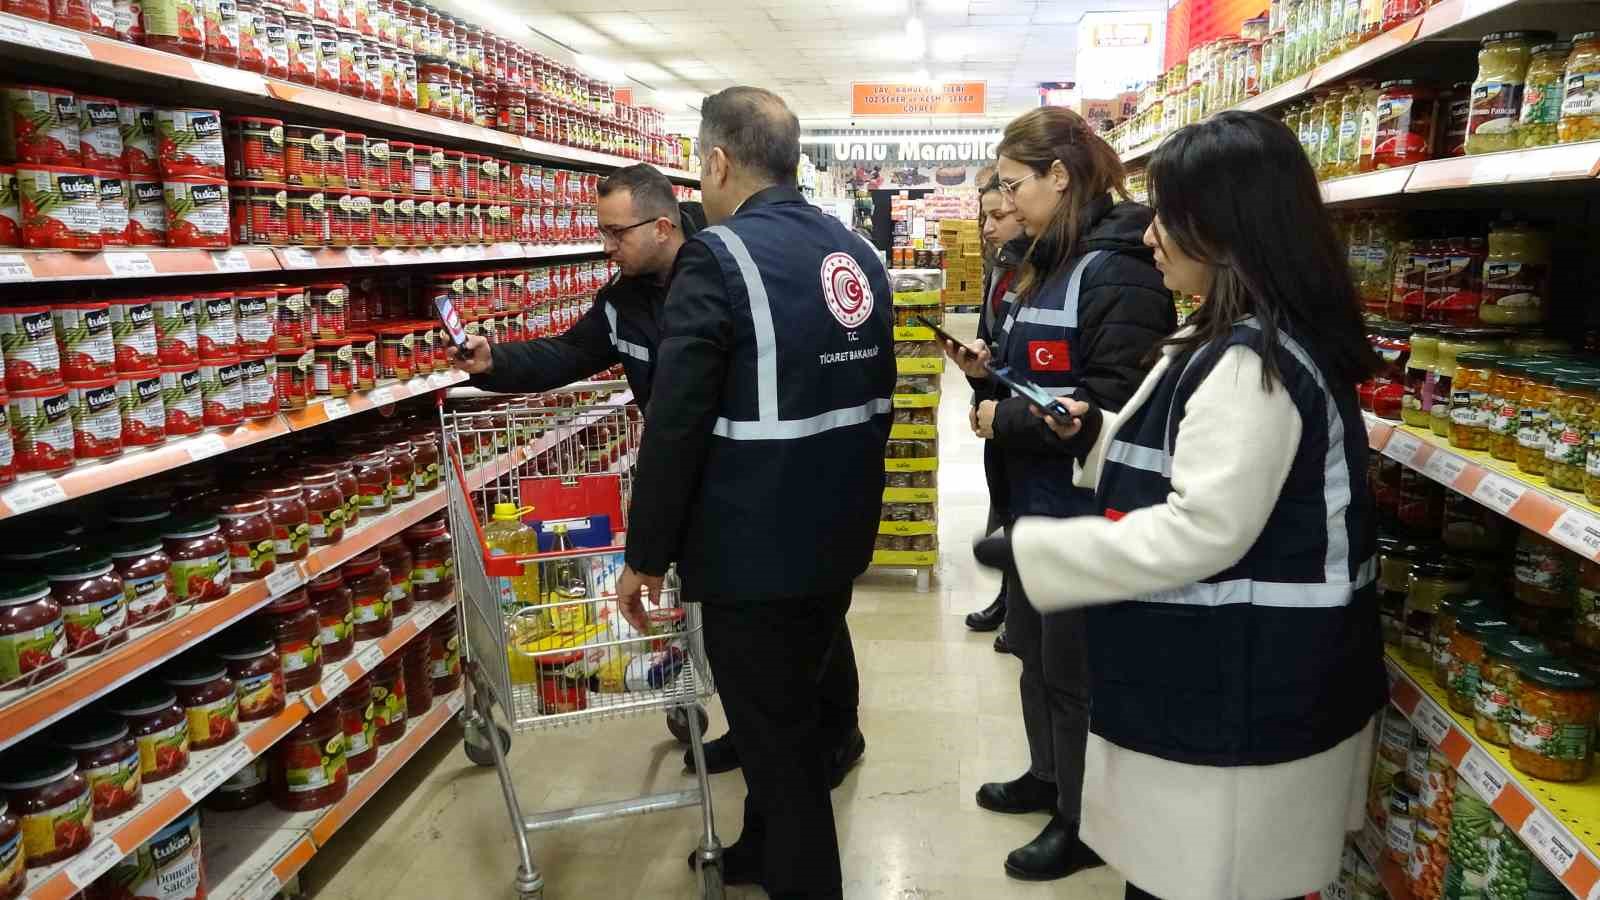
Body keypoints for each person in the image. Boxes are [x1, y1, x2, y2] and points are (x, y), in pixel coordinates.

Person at [981, 109, 1386, 900]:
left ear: (1225, 225)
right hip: (1237, 688)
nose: (1149, 234)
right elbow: (1180, 460)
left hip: (1239, 701)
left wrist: (1039, 550)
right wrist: (1096, 432)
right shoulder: (1235, 339)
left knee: (1199, 884)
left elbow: (1204, 529)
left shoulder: (1253, 364)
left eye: (1168, 215)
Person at [614, 86, 894, 900]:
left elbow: (677, 421)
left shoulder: (718, 256)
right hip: (835, 537)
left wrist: (646, 555)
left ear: (716, 162)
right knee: (792, 716)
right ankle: (760, 853)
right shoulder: (852, 251)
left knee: (778, 753)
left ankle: (801, 879)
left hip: (751, 552)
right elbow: (882, 391)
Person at [941, 106, 1174, 881]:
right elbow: (1038, 366)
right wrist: (988, 370)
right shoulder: (1044, 261)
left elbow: (1116, 400)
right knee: (1035, 655)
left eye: (1012, 185)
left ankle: (1083, 821)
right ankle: (1048, 778)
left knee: (1076, 672)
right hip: (1031, 502)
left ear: (1060, 178)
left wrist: (1003, 416)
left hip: (1084, 508)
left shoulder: (1119, 271)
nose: (1000, 202)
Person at [449, 162, 701, 406]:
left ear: (662, 229)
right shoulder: (623, 297)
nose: (607, 247)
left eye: (618, 233)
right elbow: (571, 353)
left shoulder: (723, 276)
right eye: (604, 233)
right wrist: (493, 359)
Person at [964, 173, 1029, 653]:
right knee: (1002, 504)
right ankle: (1008, 599)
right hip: (998, 408)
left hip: (1027, 416)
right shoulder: (1001, 265)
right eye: (984, 215)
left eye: (999, 216)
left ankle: (1020, 609)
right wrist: (976, 382)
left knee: (1021, 512)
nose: (988, 227)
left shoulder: (1042, 273)